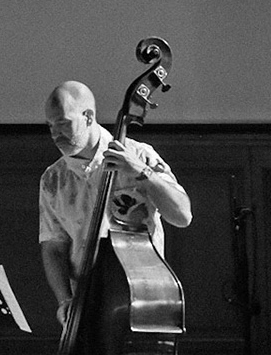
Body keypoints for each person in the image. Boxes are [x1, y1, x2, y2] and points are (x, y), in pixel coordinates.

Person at [39, 81, 192, 329]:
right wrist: (64, 300)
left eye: (63, 123)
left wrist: (142, 173)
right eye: (51, 125)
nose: (56, 133)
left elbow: (182, 215)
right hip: (86, 304)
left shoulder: (139, 156)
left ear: (88, 116)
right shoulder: (53, 179)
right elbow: (53, 248)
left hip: (141, 299)